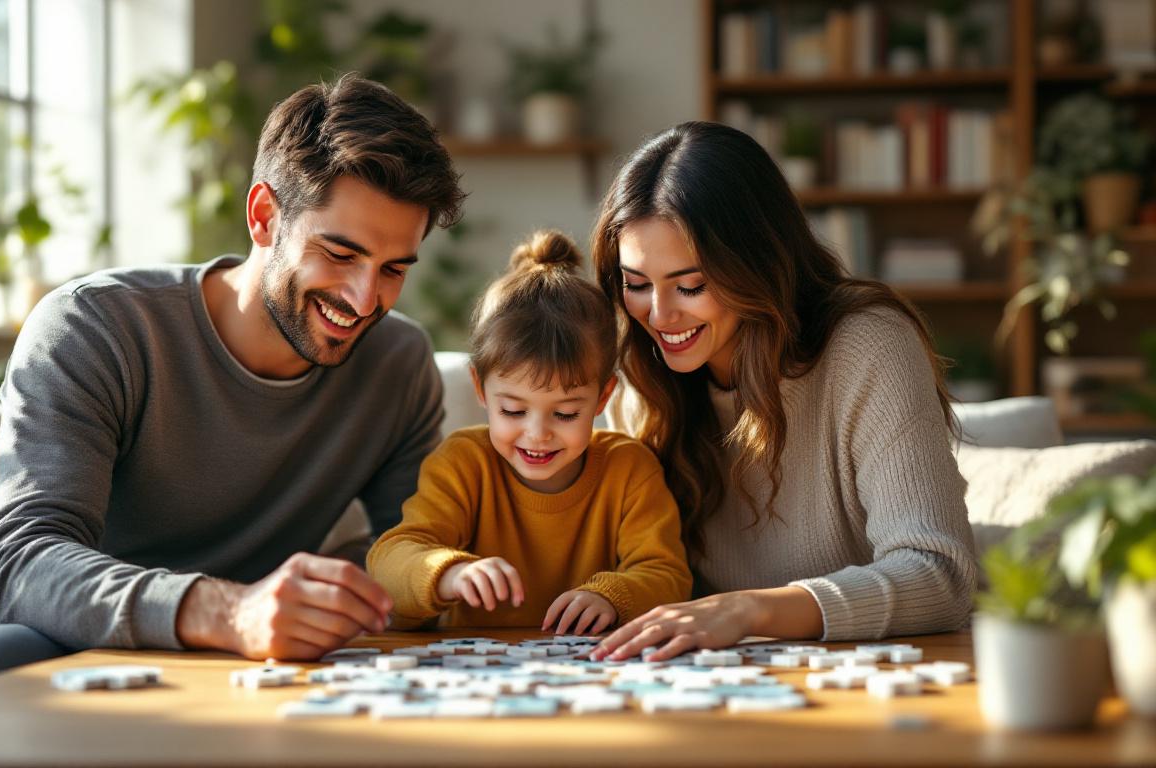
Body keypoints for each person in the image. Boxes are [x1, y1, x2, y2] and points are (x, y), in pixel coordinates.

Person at [0, 74, 466, 691]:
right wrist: (230, 611)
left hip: (246, 660)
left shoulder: (397, 362)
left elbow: (409, 548)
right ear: (263, 216)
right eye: (339, 254)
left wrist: (341, 584)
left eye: (393, 270)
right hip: (50, 635)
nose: (364, 300)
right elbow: (21, 564)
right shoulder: (95, 327)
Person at [586, 122, 977, 662]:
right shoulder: (640, 379)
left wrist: (748, 611)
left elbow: (940, 575)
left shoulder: (868, 346)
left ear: (755, 267)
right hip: (704, 680)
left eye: (690, 285)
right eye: (636, 284)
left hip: (865, 675)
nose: (659, 315)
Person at [368, 231, 691, 634]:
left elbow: (668, 577)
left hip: (594, 664)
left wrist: (613, 596)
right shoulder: (463, 463)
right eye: (514, 410)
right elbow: (388, 564)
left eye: (566, 414)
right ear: (480, 389)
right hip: (478, 666)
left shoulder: (629, 469)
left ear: (603, 396)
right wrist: (448, 573)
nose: (537, 434)